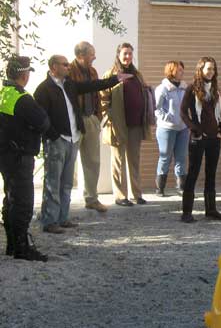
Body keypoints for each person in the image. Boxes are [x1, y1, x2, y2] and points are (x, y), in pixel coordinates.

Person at [35, 54, 127, 233]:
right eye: (64, 64)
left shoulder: (69, 84)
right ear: (54, 67)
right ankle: (49, 221)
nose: (68, 66)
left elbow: (91, 86)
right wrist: (53, 136)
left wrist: (115, 79)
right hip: (57, 141)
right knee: (53, 183)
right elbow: (41, 118)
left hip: (73, 138)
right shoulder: (44, 89)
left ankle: (62, 218)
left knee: (67, 182)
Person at [0, 56, 58, 261]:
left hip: (6, 155)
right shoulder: (22, 98)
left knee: (11, 200)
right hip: (20, 156)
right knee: (23, 203)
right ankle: (22, 249)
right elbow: (43, 122)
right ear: (24, 75)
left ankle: (12, 245)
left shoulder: (3, 94)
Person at [100, 42, 152, 207]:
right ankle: (121, 196)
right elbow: (102, 99)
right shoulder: (111, 74)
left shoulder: (137, 74)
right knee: (118, 161)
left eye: (130, 53)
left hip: (135, 124)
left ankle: (137, 194)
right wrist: (109, 116)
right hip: (118, 125)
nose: (128, 56)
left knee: (134, 160)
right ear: (118, 55)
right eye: (125, 54)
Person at [180, 56, 221, 223]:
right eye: (208, 69)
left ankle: (211, 209)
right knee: (193, 173)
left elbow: (217, 113)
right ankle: (186, 212)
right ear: (201, 70)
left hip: (214, 138)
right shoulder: (191, 89)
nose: (211, 72)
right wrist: (195, 129)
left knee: (211, 174)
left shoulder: (214, 90)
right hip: (198, 138)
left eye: (213, 69)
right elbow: (183, 113)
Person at [68, 41, 109, 213]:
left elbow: (97, 93)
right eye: (91, 54)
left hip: (91, 119)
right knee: (68, 163)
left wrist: (97, 117)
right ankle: (62, 203)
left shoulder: (92, 71)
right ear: (81, 55)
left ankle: (92, 198)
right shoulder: (68, 71)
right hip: (74, 121)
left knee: (93, 161)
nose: (95, 57)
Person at [154, 60, 189, 197]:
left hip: (183, 128)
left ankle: (181, 187)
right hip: (166, 129)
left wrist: (187, 120)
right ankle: (160, 188)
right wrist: (168, 118)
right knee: (165, 157)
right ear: (171, 71)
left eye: (182, 69)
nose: (182, 72)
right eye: (179, 70)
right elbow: (156, 109)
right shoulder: (162, 88)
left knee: (181, 157)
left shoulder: (185, 88)